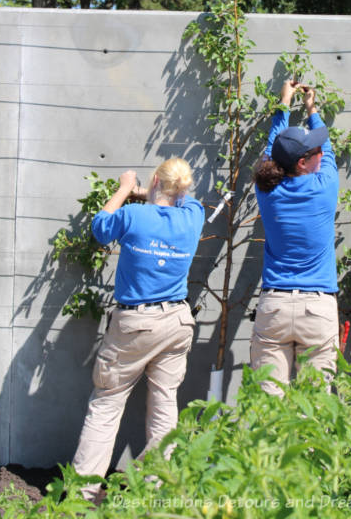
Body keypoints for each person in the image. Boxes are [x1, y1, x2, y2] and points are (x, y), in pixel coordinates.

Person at [72, 159, 204, 500]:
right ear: (182, 188)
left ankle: (82, 495)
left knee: (106, 404)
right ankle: (153, 491)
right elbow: (184, 197)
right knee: (164, 406)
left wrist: (124, 188)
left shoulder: (133, 216)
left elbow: (100, 228)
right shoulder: (193, 216)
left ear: (156, 179)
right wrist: (155, 191)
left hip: (135, 324)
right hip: (176, 322)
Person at [251, 80, 340, 395]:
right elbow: (327, 148)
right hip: (317, 308)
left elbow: (272, 147)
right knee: (315, 408)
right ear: (303, 162)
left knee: (267, 406)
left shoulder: (267, 189)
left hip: (274, 306)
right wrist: (311, 107)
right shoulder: (325, 185)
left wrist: (283, 102)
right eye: (313, 150)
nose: (320, 152)